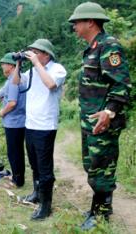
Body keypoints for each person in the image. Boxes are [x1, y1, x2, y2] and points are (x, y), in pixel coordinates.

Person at [68, 2, 131, 230]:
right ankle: (103, 205)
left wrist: (109, 111)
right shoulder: (92, 48)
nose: (74, 26)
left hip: (104, 123)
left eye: (77, 22)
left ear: (90, 22)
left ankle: (100, 215)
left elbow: (122, 85)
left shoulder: (109, 47)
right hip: (90, 123)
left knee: (101, 169)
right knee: (92, 166)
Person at [13, 39, 67, 220]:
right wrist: (18, 64)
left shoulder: (57, 69)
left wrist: (36, 64)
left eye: (36, 52)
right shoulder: (32, 70)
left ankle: (46, 205)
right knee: (34, 163)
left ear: (46, 54)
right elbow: (16, 82)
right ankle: (37, 193)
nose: (33, 55)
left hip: (45, 126)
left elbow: (51, 84)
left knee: (45, 168)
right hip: (30, 124)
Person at [0, 53, 26, 187]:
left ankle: (17, 180)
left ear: (11, 65)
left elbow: (12, 103)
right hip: (20, 121)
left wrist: (2, 112)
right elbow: (3, 94)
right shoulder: (20, 77)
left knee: (14, 152)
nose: (2, 66)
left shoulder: (14, 80)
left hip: (14, 122)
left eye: (4, 64)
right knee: (17, 151)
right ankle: (17, 176)